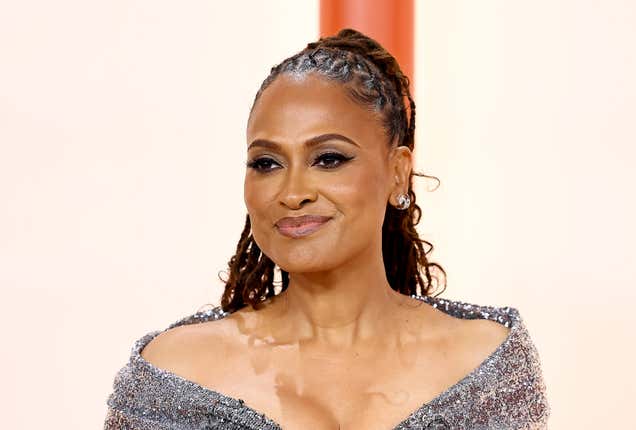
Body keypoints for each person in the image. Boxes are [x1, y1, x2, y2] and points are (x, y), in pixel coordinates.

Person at [103, 28, 550, 430]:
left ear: (398, 173)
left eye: (329, 159)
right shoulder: (174, 376)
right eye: (267, 163)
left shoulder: (483, 367)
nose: (292, 191)